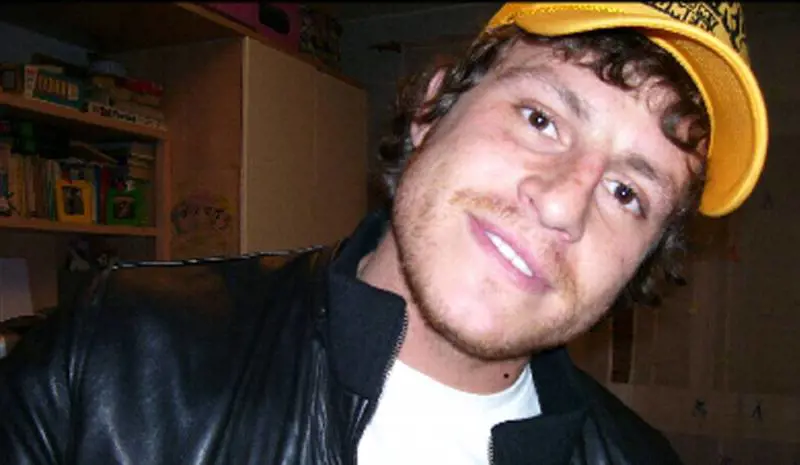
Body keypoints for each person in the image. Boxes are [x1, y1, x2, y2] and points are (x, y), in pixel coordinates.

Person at [0, 2, 767, 465]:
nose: (566, 204)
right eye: (540, 119)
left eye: (628, 192)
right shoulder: (117, 353)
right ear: (433, 110)